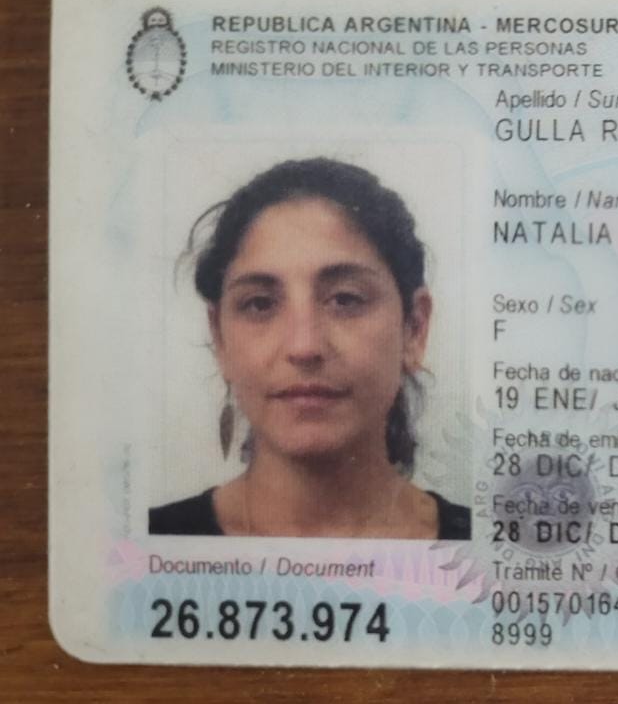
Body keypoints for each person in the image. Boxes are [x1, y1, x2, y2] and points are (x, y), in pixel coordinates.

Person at [149, 158, 470, 539]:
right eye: (260, 304)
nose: (304, 347)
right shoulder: (151, 542)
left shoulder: (488, 551)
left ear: (414, 329)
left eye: (345, 299)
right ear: (220, 338)